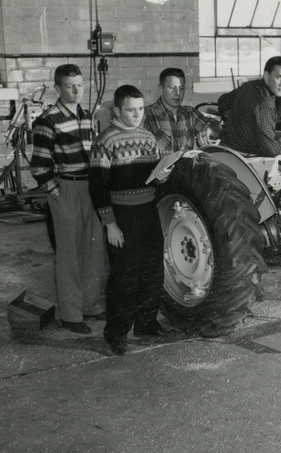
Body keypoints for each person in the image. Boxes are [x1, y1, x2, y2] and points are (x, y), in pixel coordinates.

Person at [89, 85, 172, 356]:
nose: (136, 115)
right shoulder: (105, 140)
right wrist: (110, 223)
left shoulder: (148, 137)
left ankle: (146, 323)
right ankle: (116, 333)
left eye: (140, 109)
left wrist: (162, 176)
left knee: (151, 270)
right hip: (121, 217)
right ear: (117, 111)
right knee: (124, 276)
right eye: (130, 110)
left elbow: (154, 178)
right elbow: (97, 187)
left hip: (147, 212)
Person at [30, 64, 107, 334]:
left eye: (80, 85)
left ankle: (92, 305)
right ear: (57, 88)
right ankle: (72, 314)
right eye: (69, 86)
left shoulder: (87, 117)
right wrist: (57, 195)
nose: (76, 91)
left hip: (90, 188)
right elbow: (39, 165)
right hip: (66, 189)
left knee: (93, 250)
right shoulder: (47, 120)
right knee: (69, 255)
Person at [219, 56, 281, 157]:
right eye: (279, 77)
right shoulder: (265, 105)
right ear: (266, 76)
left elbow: (222, 101)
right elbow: (269, 149)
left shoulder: (249, 86)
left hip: (226, 150)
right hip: (245, 158)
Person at [143, 67, 212, 154]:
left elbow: (216, 127)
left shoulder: (190, 113)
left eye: (181, 88)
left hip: (187, 167)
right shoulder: (147, 115)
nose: (178, 93)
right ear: (161, 89)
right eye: (172, 88)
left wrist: (210, 130)